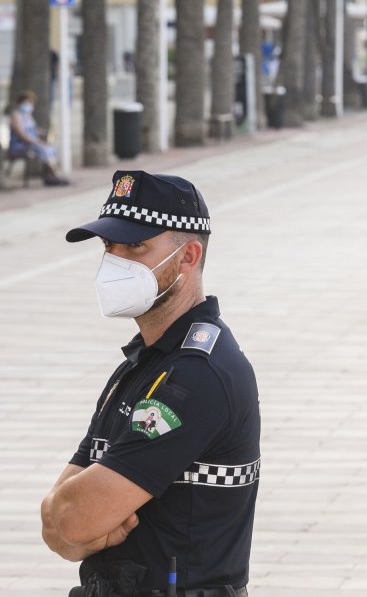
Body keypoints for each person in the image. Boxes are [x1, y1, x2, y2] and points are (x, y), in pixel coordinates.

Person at [42, 171, 260, 597]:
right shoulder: (142, 365)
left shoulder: (195, 376)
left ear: (188, 256)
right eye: (109, 246)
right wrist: (73, 516)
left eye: (136, 246)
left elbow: (74, 519)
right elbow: (56, 522)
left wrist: (81, 518)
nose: (116, 260)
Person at [6, 91, 70, 186]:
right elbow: (21, 134)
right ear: (21, 102)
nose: (29, 105)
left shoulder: (28, 116)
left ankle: (51, 176)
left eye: (30, 103)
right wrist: (36, 142)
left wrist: (47, 133)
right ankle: (55, 175)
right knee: (44, 149)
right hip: (21, 145)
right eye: (27, 102)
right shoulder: (16, 116)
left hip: (32, 143)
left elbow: (35, 130)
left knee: (51, 149)